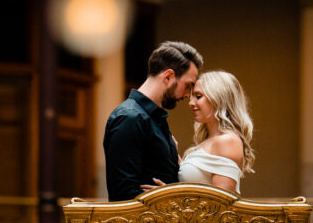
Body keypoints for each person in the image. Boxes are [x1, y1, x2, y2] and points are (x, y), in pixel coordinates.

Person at [103, 41, 203, 201]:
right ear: (168, 76)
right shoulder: (129, 118)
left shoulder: (154, 118)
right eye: (187, 86)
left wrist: (170, 194)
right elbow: (122, 196)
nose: (187, 95)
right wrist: (166, 198)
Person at [158, 70, 255, 194]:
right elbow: (199, 182)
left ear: (218, 99)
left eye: (198, 96)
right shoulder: (210, 140)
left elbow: (219, 204)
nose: (191, 103)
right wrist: (175, 156)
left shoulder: (227, 141)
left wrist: (168, 195)